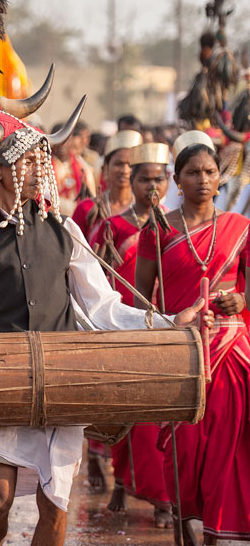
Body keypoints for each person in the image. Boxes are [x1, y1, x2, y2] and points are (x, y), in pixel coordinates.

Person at [0, 85, 208, 546]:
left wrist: (168, 324)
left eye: (38, 163)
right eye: (24, 163)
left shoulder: (64, 229)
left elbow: (103, 306)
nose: (35, 171)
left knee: (55, 510)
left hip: (63, 378)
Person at [135, 133, 250, 545]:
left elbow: (249, 291)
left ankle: (217, 532)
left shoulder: (241, 227)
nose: (202, 179)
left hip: (231, 352)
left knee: (226, 445)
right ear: (177, 180)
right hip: (181, 351)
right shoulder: (158, 229)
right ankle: (185, 522)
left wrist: (239, 299)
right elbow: (138, 297)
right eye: (192, 173)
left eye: (209, 171)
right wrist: (169, 323)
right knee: (182, 447)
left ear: (220, 179)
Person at [92, 142, 173, 527]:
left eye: (158, 179)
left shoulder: (175, 226)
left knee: (163, 417)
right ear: (133, 181)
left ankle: (164, 497)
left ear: (168, 181)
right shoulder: (113, 226)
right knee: (127, 413)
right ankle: (123, 482)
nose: (150, 187)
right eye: (144, 179)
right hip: (124, 326)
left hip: (171, 327)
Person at [72, 130, 141, 242]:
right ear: (105, 168)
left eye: (131, 165)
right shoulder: (86, 209)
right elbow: (73, 250)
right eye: (118, 164)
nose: (125, 170)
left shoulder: (145, 211)